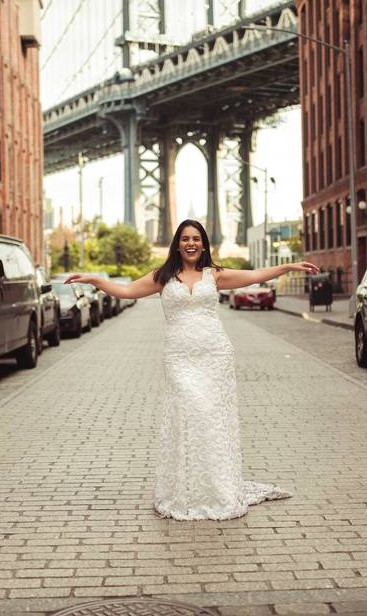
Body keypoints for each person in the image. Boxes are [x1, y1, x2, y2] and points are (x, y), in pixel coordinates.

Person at [65, 219, 319, 520]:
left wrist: (287, 268)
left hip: (215, 356)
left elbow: (253, 275)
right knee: (188, 415)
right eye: (185, 238)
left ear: (203, 243)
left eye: (196, 238)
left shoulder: (215, 275)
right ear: (177, 244)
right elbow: (126, 291)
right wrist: (95, 281)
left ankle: (216, 490)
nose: (191, 243)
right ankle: (184, 491)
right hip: (180, 359)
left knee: (211, 420)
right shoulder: (162, 277)